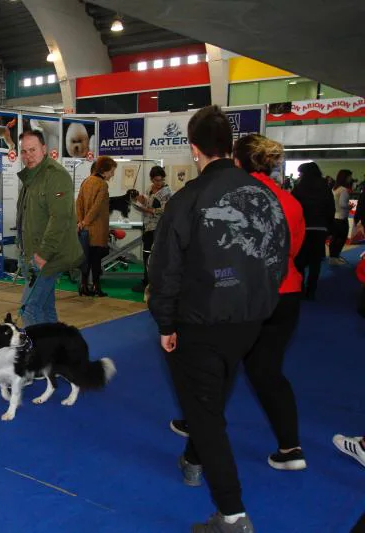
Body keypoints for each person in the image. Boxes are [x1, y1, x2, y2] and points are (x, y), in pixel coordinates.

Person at [148, 106, 289, 533]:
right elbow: (279, 256)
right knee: (210, 394)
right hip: (250, 320)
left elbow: (165, 269)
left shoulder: (187, 199)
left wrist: (166, 325)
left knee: (206, 414)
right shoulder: (265, 194)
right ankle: (193, 460)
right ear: (229, 145)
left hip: (200, 324)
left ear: (194, 149)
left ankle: (232, 515)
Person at [170, 134, 308, 471]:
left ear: (237, 160)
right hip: (286, 295)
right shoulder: (289, 201)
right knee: (267, 371)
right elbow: (293, 250)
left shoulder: (236, 197)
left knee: (217, 369)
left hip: (244, 296)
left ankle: (196, 446)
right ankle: (291, 448)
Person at [16, 129, 83, 326]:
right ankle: (57, 353)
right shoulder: (32, 176)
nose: (28, 155)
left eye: (33, 150)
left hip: (49, 256)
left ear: (44, 149)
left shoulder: (55, 175)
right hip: (36, 253)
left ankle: (38, 355)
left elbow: (60, 218)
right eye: (24, 151)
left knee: (28, 308)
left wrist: (43, 254)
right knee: (45, 307)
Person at [293, 162, 335, 299]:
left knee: (300, 260)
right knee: (315, 262)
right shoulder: (325, 187)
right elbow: (331, 209)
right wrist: (328, 227)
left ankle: (300, 288)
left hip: (303, 228)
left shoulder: (299, 187)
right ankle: (311, 291)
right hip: (320, 228)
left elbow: (293, 207)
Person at [75, 156, 115, 297]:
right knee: (96, 261)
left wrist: (80, 222)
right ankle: (97, 288)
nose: (113, 174)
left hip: (85, 230)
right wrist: (86, 221)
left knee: (86, 258)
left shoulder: (86, 181)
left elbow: (78, 203)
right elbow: (97, 207)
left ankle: (84, 286)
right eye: (112, 171)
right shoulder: (102, 184)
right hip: (97, 230)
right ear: (104, 171)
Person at [132, 165, 172, 293]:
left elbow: (165, 210)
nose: (159, 183)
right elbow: (146, 201)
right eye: (156, 180)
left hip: (159, 228)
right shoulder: (150, 189)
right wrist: (139, 198)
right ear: (151, 179)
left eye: (161, 180)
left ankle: (156, 284)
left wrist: (148, 210)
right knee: (146, 255)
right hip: (148, 227)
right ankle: (146, 281)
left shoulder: (167, 192)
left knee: (156, 257)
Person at [329, 169, 353, 265]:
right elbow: (343, 204)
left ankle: (333, 258)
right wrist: (349, 206)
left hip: (335, 217)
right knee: (340, 239)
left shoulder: (334, 189)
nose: (351, 178)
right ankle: (335, 258)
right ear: (346, 177)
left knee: (334, 238)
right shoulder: (343, 190)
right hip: (342, 218)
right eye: (350, 176)